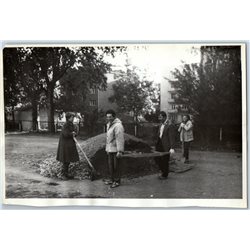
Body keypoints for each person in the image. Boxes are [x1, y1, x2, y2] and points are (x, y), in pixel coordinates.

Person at [56, 112, 79, 179]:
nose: (73, 118)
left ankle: (66, 174)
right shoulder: (65, 125)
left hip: (70, 145)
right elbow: (66, 134)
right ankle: (62, 174)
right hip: (65, 145)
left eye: (73, 117)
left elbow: (74, 133)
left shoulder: (72, 125)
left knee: (68, 160)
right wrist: (72, 133)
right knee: (65, 160)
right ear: (68, 118)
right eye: (72, 117)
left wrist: (75, 132)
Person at [105, 109, 125, 188]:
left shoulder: (118, 126)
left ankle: (117, 181)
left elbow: (119, 138)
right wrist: (107, 148)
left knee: (117, 166)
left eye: (110, 117)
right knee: (111, 166)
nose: (108, 118)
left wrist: (120, 151)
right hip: (110, 149)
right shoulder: (109, 124)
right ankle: (112, 179)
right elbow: (108, 138)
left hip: (116, 150)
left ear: (114, 117)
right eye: (107, 117)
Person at [155, 111, 176, 180]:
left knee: (165, 160)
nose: (159, 118)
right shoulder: (161, 124)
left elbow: (171, 137)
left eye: (160, 117)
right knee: (157, 158)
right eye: (159, 117)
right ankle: (162, 171)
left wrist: (172, 147)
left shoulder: (170, 125)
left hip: (166, 145)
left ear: (164, 117)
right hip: (159, 143)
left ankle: (165, 174)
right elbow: (159, 134)